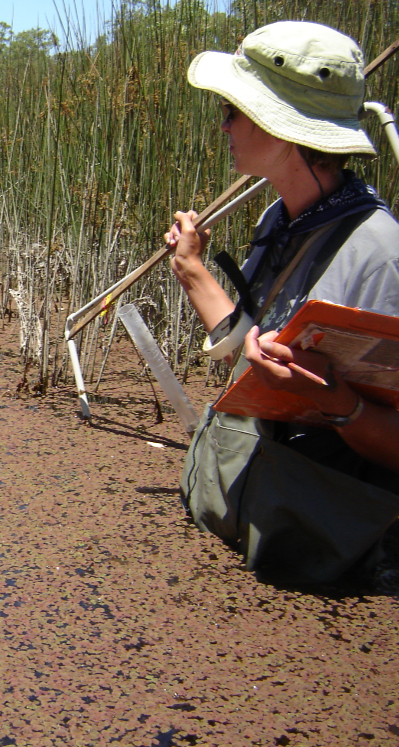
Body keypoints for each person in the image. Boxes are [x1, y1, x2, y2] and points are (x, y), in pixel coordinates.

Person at [163, 21, 399, 585]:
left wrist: (335, 399)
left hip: (327, 549)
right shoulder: (280, 219)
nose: (224, 124)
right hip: (255, 520)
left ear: (281, 126)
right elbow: (249, 353)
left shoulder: (379, 254)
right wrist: (192, 271)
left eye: (233, 110)